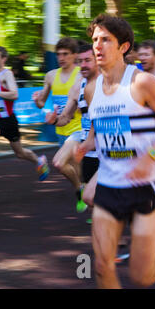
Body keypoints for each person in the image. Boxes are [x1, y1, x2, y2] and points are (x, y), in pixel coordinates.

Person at [76, 14, 155, 289]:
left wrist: (149, 159)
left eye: (106, 40)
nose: (97, 47)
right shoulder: (91, 90)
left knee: (142, 277)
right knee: (101, 267)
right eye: (95, 40)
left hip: (146, 188)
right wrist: (87, 144)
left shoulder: (143, 83)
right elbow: (98, 130)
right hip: (110, 187)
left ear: (124, 46)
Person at [0, 46, 49, 185]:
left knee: (20, 153)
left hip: (8, 121)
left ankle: (39, 161)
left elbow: (15, 94)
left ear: (4, 59)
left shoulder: (7, 74)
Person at [45, 43, 100, 214]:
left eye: (87, 60)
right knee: (90, 199)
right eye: (80, 61)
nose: (83, 64)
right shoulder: (77, 88)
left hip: (108, 147)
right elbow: (66, 118)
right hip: (87, 147)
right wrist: (54, 121)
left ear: (97, 61)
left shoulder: (108, 84)